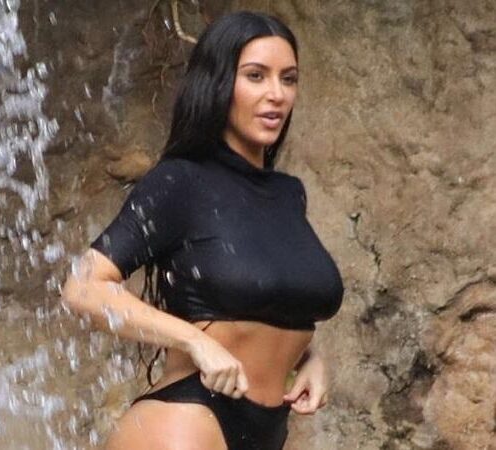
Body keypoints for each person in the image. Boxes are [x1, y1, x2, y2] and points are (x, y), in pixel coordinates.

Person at [61, 10, 344, 450]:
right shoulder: (179, 182)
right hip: (186, 420)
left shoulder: (288, 194)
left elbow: (265, 303)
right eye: (255, 76)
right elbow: (82, 288)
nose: (276, 94)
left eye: (288, 79)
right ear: (218, 83)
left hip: (268, 428)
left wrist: (308, 356)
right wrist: (193, 341)